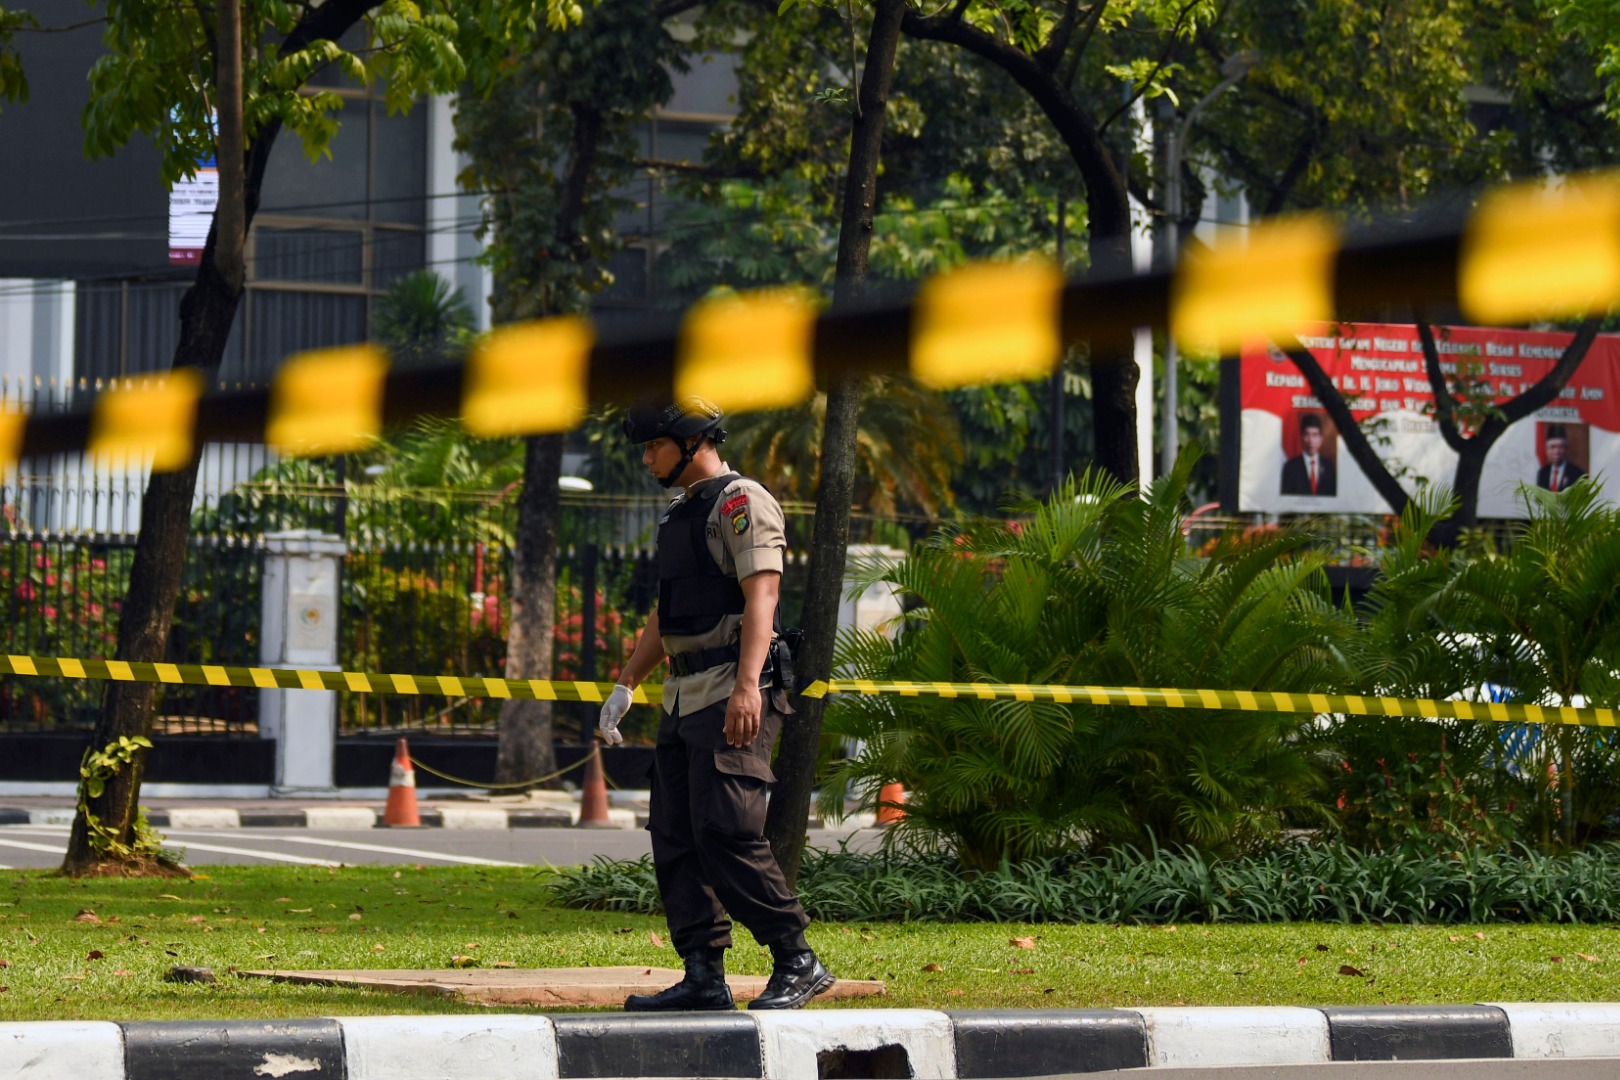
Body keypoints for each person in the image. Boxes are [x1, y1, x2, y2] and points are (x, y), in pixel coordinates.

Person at [597, 396, 833, 1013]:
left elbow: (764, 597)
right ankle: (703, 974)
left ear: (691, 441)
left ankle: (797, 959)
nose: (647, 459)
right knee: (676, 833)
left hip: (732, 684)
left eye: (655, 446)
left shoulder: (740, 501)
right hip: (684, 694)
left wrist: (749, 686)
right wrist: (627, 684)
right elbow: (666, 615)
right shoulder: (681, 514)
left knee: (726, 829)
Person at [1280, 413, 1337, 496]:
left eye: (1315, 435)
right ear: (1301, 437)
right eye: (1307, 434)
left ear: (1321, 439)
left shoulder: (1329, 466)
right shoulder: (1290, 467)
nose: (1311, 441)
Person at [1536, 426, 1586, 492]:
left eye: (1560, 447)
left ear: (1566, 449)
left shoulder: (1578, 475)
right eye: (1552, 447)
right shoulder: (1542, 473)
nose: (1556, 451)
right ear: (1546, 450)